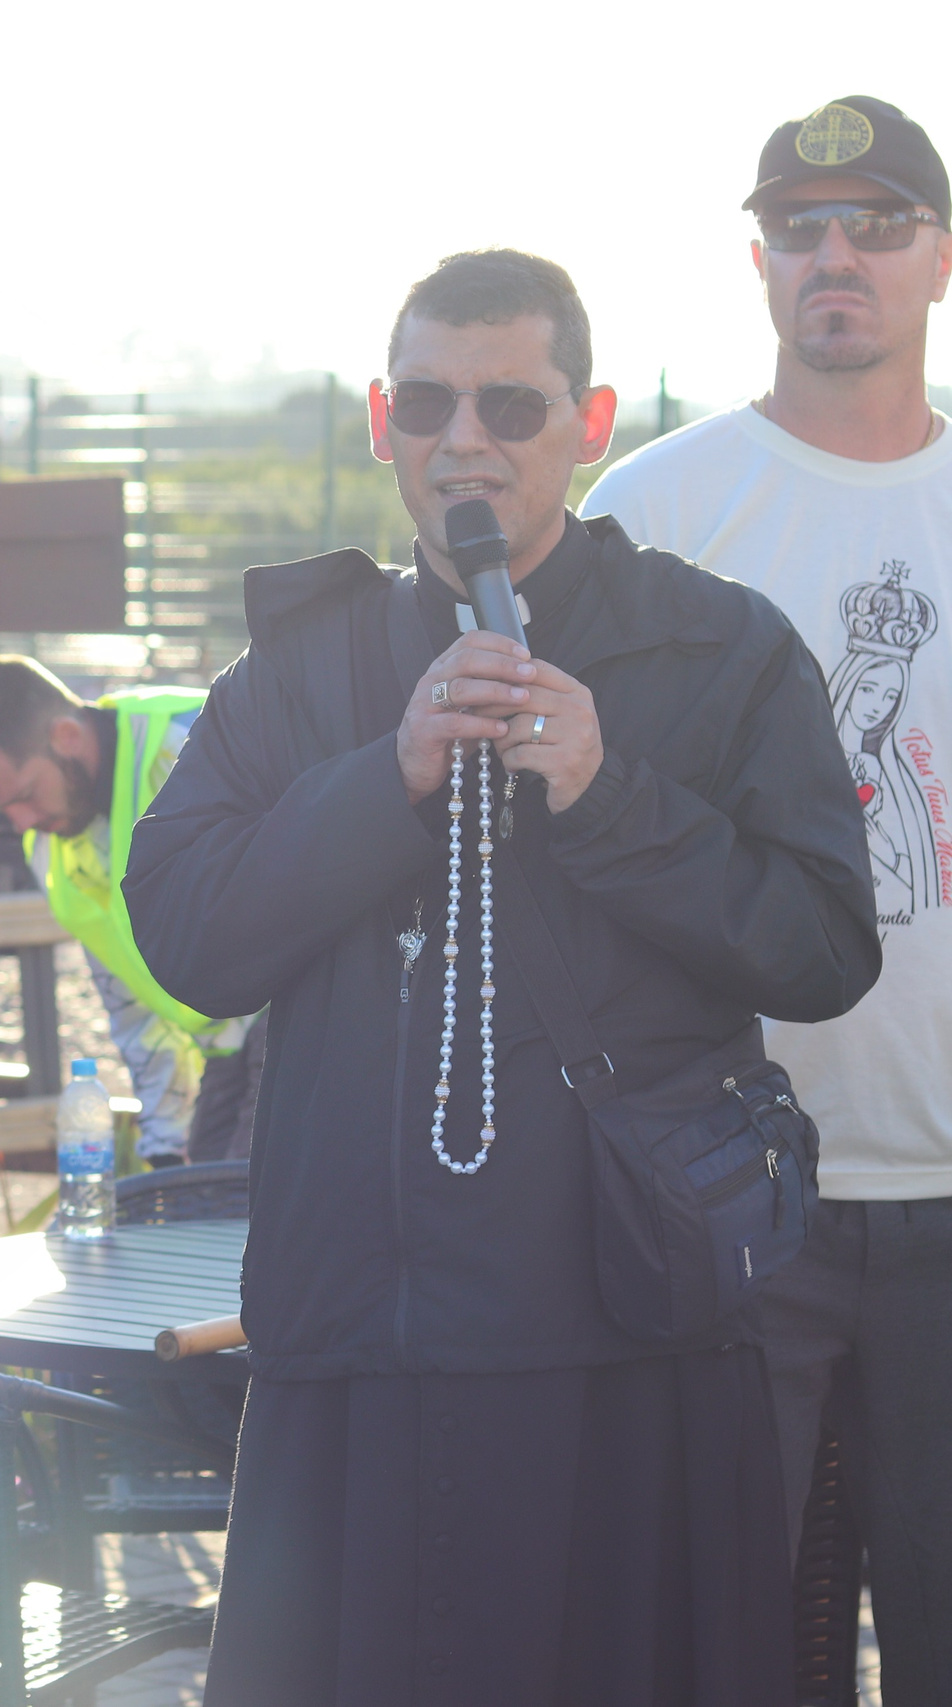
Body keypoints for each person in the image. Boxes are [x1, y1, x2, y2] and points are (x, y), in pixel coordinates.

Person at [124, 248, 880, 1705]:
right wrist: (387, 775)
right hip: (365, 1348)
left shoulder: (718, 649)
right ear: (378, 418)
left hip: (626, 1340)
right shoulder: (300, 667)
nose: (463, 438)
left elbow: (822, 946)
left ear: (589, 421)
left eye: (511, 405)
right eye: (428, 400)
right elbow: (190, 937)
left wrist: (612, 794)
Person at [583, 94, 952, 1697]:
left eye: (876, 223)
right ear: (759, 260)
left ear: (939, 260)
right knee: (738, 1651)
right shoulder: (656, 513)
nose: (837, 253)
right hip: (730, 1197)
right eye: (803, 228)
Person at [0, 659, 261, 1164]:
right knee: (200, 1203)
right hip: (228, 1046)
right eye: (2, 812)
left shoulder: (191, 738)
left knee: (244, 1212)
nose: (22, 824)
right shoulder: (49, 846)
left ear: (65, 735)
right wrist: (164, 1147)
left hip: (300, 1018)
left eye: (24, 796)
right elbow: (131, 1001)